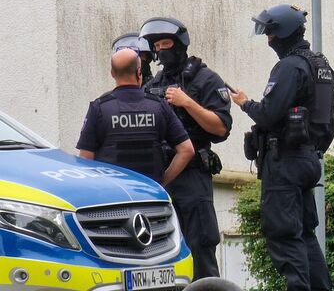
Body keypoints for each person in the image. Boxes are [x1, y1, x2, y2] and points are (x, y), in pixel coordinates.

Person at [230, 4, 334, 291]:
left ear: (284, 33)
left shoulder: (289, 67)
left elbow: (268, 113)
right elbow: (328, 123)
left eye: (271, 34)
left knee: (285, 236)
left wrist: (245, 103)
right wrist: (311, 149)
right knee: (305, 235)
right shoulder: (320, 65)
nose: (269, 40)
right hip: (308, 159)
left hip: (285, 164)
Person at [139, 17, 233, 280]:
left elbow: (221, 128)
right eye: (156, 45)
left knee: (200, 249)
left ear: (180, 44)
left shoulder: (206, 79)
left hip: (192, 177)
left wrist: (187, 102)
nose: (161, 50)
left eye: (166, 43)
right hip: (161, 177)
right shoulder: (153, 84)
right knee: (159, 252)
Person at [76, 48, 194, 187]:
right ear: (139, 73)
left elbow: (85, 160)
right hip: (151, 196)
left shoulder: (99, 108)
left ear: (112, 74)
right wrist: (161, 183)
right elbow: (187, 150)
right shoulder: (159, 106)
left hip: (114, 196)